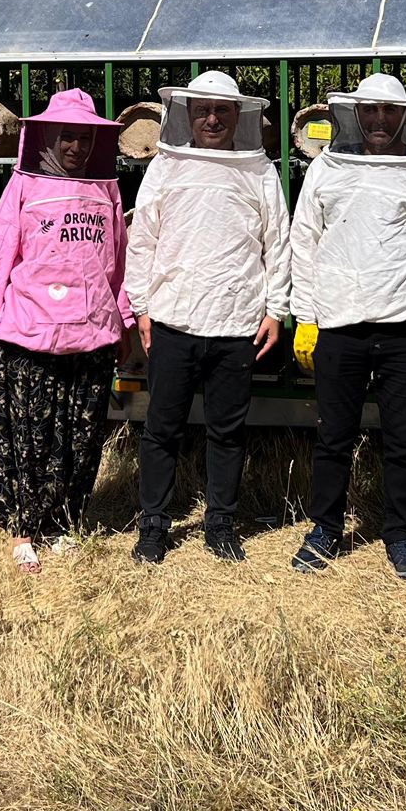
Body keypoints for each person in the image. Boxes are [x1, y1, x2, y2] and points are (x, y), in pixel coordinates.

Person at [287, 73, 406, 581]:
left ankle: (402, 535)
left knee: (404, 440)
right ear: (354, 115)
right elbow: (304, 244)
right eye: (369, 111)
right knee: (333, 438)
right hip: (339, 325)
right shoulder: (327, 168)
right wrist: (305, 318)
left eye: (389, 112)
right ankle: (324, 530)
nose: (379, 121)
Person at [0, 88, 138, 574]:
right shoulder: (24, 188)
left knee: (78, 437)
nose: (76, 147)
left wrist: (122, 325)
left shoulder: (106, 190)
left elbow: (116, 267)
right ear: (48, 139)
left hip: (91, 336)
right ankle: (23, 530)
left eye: (83, 138)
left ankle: (61, 522)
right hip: (29, 334)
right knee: (28, 435)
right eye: (67, 137)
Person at [123, 71, 290, 565]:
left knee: (227, 431)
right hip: (173, 318)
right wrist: (142, 307)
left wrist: (276, 310)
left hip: (237, 321)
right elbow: (144, 239)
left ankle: (221, 524)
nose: (212, 119)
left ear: (239, 115)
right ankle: (153, 525)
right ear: (187, 114)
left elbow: (277, 243)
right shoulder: (166, 165)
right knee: (161, 428)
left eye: (221, 110)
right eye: (202, 110)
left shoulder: (259, 170)